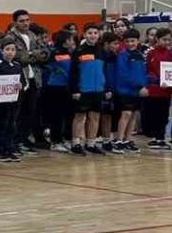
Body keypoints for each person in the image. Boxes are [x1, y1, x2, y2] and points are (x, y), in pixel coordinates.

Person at [7, 10, 44, 150]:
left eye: (27, 20)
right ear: (15, 22)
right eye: (22, 21)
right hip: (20, 79)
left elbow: (45, 52)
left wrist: (30, 55)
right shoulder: (10, 37)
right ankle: (15, 141)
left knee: (30, 111)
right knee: (17, 112)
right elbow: (18, 57)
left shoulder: (33, 35)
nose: (25, 23)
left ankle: (24, 138)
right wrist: (34, 55)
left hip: (34, 78)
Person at [69, 24, 108, 157]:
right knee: (80, 116)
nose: (93, 35)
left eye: (95, 33)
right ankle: (76, 143)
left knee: (95, 116)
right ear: (85, 34)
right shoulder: (79, 51)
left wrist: (106, 88)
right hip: (83, 89)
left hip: (98, 90)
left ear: (99, 34)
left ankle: (91, 143)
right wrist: (75, 90)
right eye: (90, 33)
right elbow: (73, 72)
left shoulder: (102, 51)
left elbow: (105, 71)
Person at [108, 29, 147, 154]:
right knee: (126, 114)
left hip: (137, 92)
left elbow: (142, 73)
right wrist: (139, 86)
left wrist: (149, 84)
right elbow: (124, 75)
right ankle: (119, 140)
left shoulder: (140, 55)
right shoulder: (122, 56)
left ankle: (128, 139)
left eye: (133, 41)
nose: (130, 43)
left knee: (133, 115)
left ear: (138, 41)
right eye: (128, 41)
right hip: (125, 91)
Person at [0, 39, 23, 163]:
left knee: (11, 125)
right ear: (2, 50)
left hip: (13, 101)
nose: (10, 52)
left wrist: (20, 85)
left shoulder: (17, 66)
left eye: (12, 50)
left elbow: (22, 82)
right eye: (7, 49)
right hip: (1, 103)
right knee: (1, 125)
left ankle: (8, 148)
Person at [142, 28, 172, 148]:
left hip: (166, 91)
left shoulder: (171, 54)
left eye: (169, 40)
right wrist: (151, 82)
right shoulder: (149, 53)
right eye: (164, 39)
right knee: (153, 114)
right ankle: (154, 137)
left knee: (163, 115)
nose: (167, 42)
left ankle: (161, 137)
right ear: (157, 39)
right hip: (153, 90)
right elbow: (146, 70)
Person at [41, 30, 73, 151]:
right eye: (70, 39)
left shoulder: (69, 53)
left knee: (65, 114)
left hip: (66, 86)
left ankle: (62, 138)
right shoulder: (53, 53)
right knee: (56, 115)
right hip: (54, 87)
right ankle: (55, 141)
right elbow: (46, 66)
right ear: (64, 41)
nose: (72, 42)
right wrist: (54, 70)